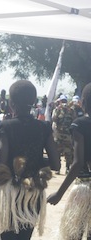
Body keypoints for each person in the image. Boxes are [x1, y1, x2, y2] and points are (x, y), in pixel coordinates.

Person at [0, 80, 60, 240]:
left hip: (11, 193)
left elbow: (1, 162)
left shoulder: (5, 126)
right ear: (34, 102)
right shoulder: (44, 127)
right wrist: (36, 160)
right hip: (33, 193)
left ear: (11, 103)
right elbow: (56, 164)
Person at [47, 83, 91, 240]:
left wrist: (59, 193)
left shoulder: (80, 124)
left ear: (83, 102)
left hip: (84, 187)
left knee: (74, 233)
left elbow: (78, 162)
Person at [52, 94, 76, 174]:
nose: (63, 103)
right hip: (58, 134)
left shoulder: (71, 110)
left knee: (68, 152)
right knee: (57, 152)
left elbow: (74, 120)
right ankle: (58, 168)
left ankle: (68, 168)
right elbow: (54, 119)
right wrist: (57, 108)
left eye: (65, 101)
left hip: (68, 135)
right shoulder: (57, 110)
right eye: (62, 101)